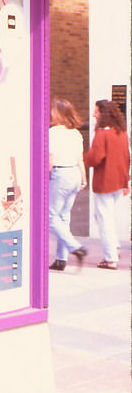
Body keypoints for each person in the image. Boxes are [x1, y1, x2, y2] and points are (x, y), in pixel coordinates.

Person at [84, 99, 130, 270]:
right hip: (119, 182)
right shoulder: (122, 133)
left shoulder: (102, 133)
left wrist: (85, 158)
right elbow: (127, 157)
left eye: (96, 111)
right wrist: (126, 182)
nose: (93, 114)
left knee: (104, 220)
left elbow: (95, 158)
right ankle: (115, 247)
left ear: (103, 114)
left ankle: (110, 258)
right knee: (106, 217)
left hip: (104, 183)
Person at [48, 99, 88, 271]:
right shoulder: (75, 133)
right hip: (75, 174)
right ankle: (60, 259)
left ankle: (75, 248)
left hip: (61, 174)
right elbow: (80, 159)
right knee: (63, 217)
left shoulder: (54, 132)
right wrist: (84, 178)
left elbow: (50, 157)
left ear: (58, 113)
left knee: (50, 217)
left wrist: (44, 176)